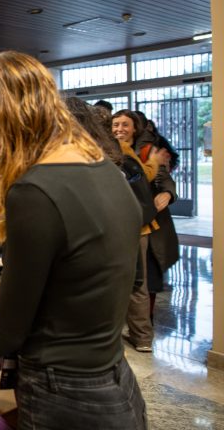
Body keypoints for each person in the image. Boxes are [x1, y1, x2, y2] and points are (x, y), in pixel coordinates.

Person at [0, 51, 147, 429]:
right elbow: (118, 279)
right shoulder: (107, 171)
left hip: (63, 394)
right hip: (116, 382)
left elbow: (8, 327)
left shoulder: (34, 191)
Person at [113, 109, 176, 350]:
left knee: (139, 283)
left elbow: (162, 178)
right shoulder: (112, 151)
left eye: (124, 124)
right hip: (121, 225)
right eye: (115, 124)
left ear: (135, 128)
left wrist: (167, 193)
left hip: (140, 226)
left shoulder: (144, 152)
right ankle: (136, 335)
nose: (119, 129)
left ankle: (141, 336)